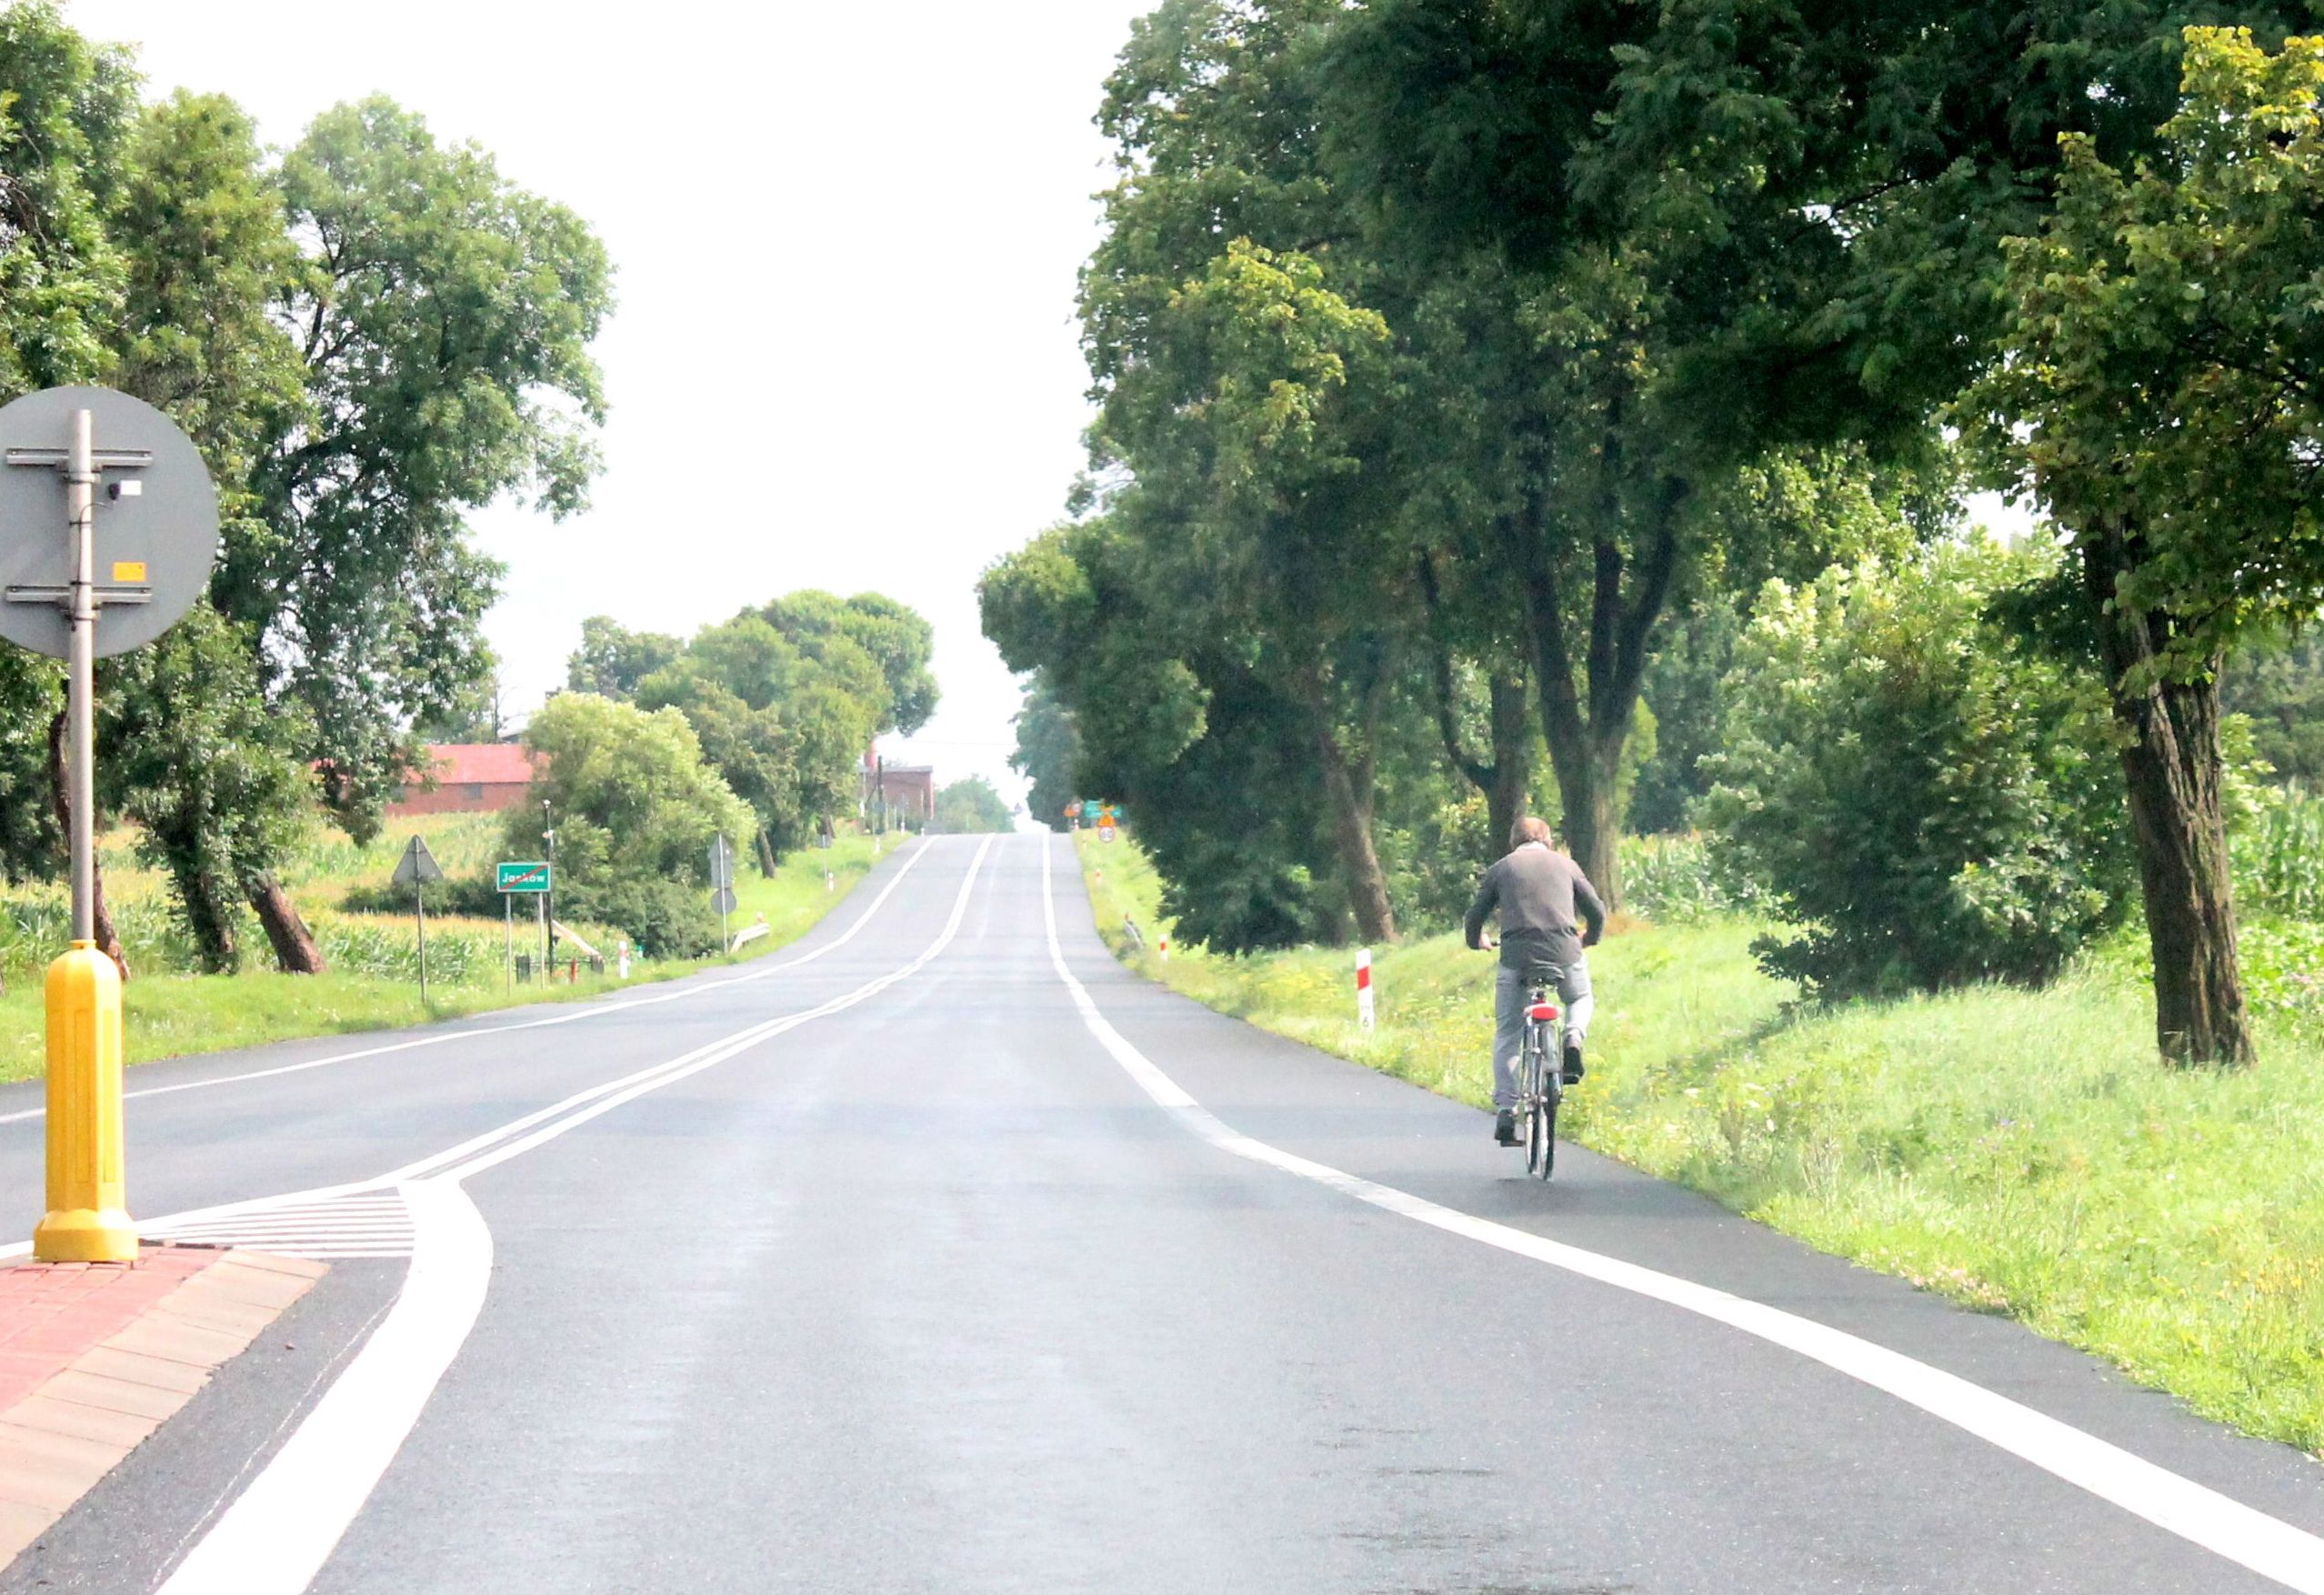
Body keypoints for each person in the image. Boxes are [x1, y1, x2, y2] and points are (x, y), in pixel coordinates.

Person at [1464, 816, 1606, 1147]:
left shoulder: (1501, 868)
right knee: (1579, 997)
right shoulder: (1567, 866)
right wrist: (1590, 938)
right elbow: (1596, 911)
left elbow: (1474, 916)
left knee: (1509, 1032)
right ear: (1548, 840)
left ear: (1513, 842)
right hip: (1565, 951)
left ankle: (1506, 1110)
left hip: (1516, 957)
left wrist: (1477, 941)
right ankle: (1572, 1039)